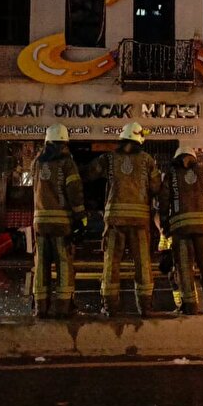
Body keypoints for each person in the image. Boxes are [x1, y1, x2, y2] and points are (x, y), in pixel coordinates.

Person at [85, 121, 162, 316]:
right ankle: (145, 307)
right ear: (139, 140)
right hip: (139, 221)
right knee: (143, 264)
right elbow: (156, 188)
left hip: (115, 220)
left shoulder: (109, 158)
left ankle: (110, 306)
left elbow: (89, 174)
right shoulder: (147, 160)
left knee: (111, 263)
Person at [30, 124, 86, 318]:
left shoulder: (37, 163)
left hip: (40, 223)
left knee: (41, 265)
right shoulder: (67, 163)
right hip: (61, 223)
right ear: (64, 143)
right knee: (64, 263)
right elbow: (74, 191)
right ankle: (63, 307)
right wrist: (81, 218)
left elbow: (35, 191)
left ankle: (40, 307)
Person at [159, 147, 203, 314]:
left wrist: (165, 227)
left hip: (181, 228)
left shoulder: (170, 175)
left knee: (184, 267)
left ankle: (190, 306)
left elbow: (164, 202)